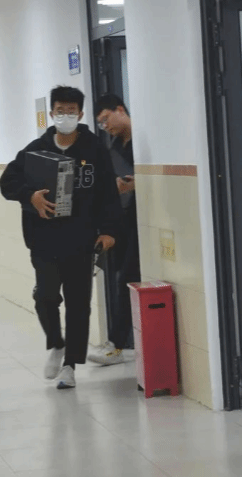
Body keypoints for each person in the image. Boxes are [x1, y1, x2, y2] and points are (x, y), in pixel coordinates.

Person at [0, 85, 122, 389]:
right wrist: (30, 197)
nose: (65, 116)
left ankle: (70, 365)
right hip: (43, 239)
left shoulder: (95, 149)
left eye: (71, 111)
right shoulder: (35, 149)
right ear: (51, 113)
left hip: (81, 239)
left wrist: (109, 230)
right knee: (46, 296)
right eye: (60, 111)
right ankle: (56, 342)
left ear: (80, 114)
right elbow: (7, 183)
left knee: (79, 304)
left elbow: (108, 192)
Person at [88, 93, 141, 366]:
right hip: (122, 220)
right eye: (100, 123)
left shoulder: (142, 139)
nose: (105, 126)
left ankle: (117, 345)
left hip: (143, 220)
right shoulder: (114, 146)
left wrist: (136, 184)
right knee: (121, 277)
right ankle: (120, 343)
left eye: (106, 119)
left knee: (126, 279)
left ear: (120, 109)